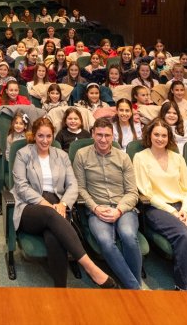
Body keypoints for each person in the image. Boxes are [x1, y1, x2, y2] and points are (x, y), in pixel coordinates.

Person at [11, 117, 116, 288]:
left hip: (57, 204)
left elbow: (73, 184)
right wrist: (48, 205)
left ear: (53, 136)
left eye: (48, 136)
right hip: (28, 207)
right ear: (34, 136)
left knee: (54, 236)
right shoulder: (23, 154)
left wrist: (63, 204)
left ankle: (60, 289)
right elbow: (21, 187)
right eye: (40, 136)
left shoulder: (61, 155)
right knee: (50, 215)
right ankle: (90, 267)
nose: (45, 141)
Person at [134, 117, 187, 292]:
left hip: (181, 206)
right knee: (185, 236)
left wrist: (185, 210)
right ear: (149, 136)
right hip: (156, 208)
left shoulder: (177, 158)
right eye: (156, 134)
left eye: (164, 135)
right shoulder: (140, 157)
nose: (160, 138)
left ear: (169, 138)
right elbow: (147, 193)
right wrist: (172, 212)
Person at [72, 117, 143, 289]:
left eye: (107, 136)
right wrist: (95, 208)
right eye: (99, 135)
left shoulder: (123, 157)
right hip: (98, 209)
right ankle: (135, 288)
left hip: (123, 208)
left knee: (128, 236)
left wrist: (119, 210)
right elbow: (80, 188)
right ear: (93, 134)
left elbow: (132, 192)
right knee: (105, 240)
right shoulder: (82, 155)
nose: (103, 139)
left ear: (113, 136)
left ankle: (133, 286)